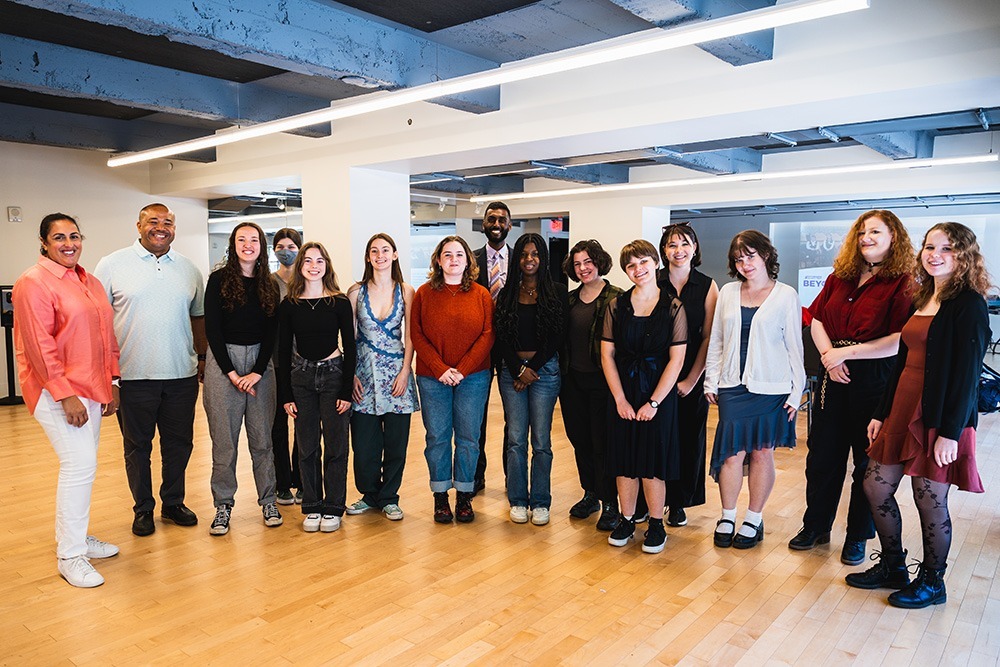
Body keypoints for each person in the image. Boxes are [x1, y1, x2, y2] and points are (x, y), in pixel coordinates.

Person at [845, 222, 991, 609]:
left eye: (947, 248)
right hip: (901, 408)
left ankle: (932, 582)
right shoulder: (923, 296)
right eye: (929, 247)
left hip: (939, 416)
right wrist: (882, 413)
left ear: (964, 255)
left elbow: (968, 376)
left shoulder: (969, 304)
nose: (935, 254)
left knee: (929, 499)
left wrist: (950, 433)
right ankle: (894, 567)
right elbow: (901, 362)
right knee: (875, 486)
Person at [789, 210, 914, 565]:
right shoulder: (839, 278)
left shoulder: (903, 283)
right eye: (861, 233)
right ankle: (816, 526)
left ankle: (858, 535)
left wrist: (846, 354)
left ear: (893, 237)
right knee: (822, 457)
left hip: (874, 378)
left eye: (875, 232)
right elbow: (816, 320)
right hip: (833, 374)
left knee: (865, 463)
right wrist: (830, 357)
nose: (866, 238)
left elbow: (899, 339)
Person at [13, 213, 122, 587]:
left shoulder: (89, 281)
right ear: (44, 243)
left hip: (92, 387)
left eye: (74, 236)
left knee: (84, 468)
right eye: (59, 237)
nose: (69, 243)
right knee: (79, 465)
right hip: (56, 392)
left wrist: (112, 381)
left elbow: (106, 335)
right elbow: (38, 345)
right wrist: (65, 394)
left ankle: (77, 537)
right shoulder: (33, 282)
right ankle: (70, 555)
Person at [94, 203, 206, 537]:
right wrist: (108, 375)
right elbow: (98, 322)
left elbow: (198, 317)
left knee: (179, 444)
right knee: (137, 447)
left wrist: (201, 359)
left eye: (167, 222)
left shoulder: (189, 269)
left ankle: (173, 503)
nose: (161, 227)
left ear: (174, 228)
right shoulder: (111, 264)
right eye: (153, 221)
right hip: (132, 376)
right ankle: (143, 508)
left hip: (181, 376)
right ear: (139, 225)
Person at [705, 230, 805, 550]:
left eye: (750, 256)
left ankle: (753, 517)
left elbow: (794, 346)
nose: (745, 264)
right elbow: (717, 340)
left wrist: (796, 392)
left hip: (771, 387)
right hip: (732, 385)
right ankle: (727, 515)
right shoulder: (728, 292)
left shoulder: (785, 295)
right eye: (738, 259)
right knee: (731, 454)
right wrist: (711, 380)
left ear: (765, 255)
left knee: (762, 452)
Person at [601, 240, 687, 554]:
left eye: (643, 262)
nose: (638, 269)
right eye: (631, 265)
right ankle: (626, 520)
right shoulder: (616, 305)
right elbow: (607, 355)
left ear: (655, 263)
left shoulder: (673, 307)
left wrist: (654, 403)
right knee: (624, 460)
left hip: (658, 394)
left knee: (653, 462)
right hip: (623, 391)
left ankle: (656, 524)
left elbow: (676, 360)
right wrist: (620, 400)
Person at [203, 222, 282, 536]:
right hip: (224, 365)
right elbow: (212, 330)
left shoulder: (269, 285)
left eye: (254, 240)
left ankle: (269, 501)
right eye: (241, 239)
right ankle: (223, 505)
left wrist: (257, 371)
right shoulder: (218, 280)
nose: (248, 245)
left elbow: (272, 332)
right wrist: (233, 373)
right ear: (233, 245)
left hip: (261, 365)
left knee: (262, 440)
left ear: (262, 246)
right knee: (225, 443)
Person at [411, 236, 494, 524]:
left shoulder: (481, 294)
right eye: (447, 254)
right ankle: (440, 496)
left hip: (474, 377)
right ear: (438, 260)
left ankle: (465, 495)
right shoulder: (423, 294)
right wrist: (440, 368)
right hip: (433, 378)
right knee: (437, 437)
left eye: (459, 254)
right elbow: (417, 334)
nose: (454, 259)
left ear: (468, 260)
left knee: (469, 438)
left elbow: (488, 334)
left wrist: (463, 369)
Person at [277, 242, 356, 534]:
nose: (313, 266)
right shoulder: (289, 304)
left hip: (334, 375)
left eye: (319, 260)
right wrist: (286, 395)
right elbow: (283, 351)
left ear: (327, 265)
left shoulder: (339, 302)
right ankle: (311, 504)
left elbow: (351, 347)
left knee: (336, 446)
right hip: (302, 378)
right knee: (307, 446)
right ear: (300, 266)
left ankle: (333, 507)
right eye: (308, 260)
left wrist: (346, 391)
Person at [346, 233, 419, 522]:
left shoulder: (406, 291)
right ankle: (369, 495)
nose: (380, 255)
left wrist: (405, 371)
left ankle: (389, 498)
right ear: (368, 257)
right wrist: (351, 374)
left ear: (395, 254)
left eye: (385, 250)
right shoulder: (355, 292)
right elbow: (349, 338)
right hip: (364, 374)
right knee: (364, 444)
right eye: (374, 251)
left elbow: (411, 335)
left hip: (396, 375)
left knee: (396, 443)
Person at [494, 233, 566, 526]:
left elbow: (557, 336)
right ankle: (518, 500)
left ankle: (540, 501)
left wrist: (531, 369)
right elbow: (500, 336)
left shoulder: (557, 291)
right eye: (524, 254)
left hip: (544, 372)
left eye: (535, 254)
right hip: (511, 373)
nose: (529, 259)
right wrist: (517, 370)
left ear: (543, 258)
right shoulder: (506, 293)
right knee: (515, 439)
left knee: (541, 441)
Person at [657, 223, 719, 528]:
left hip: (691, 375)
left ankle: (679, 502)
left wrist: (692, 380)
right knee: (656, 440)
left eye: (684, 244)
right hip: (656, 374)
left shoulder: (708, 286)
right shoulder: (654, 280)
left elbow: (709, 337)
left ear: (694, 248)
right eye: (671, 245)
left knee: (688, 440)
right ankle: (651, 500)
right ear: (663, 250)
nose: (678, 250)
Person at [560, 240, 623, 531]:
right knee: (579, 439)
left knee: (602, 443)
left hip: (603, 383)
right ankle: (590, 494)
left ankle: (610, 502)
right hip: (572, 381)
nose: (583, 268)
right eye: (577, 264)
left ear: (599, 262)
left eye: (588, 262)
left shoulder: (617, 298)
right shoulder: (569, 300)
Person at [472, 201, 513, 493]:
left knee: (514, 417)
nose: (496, 224)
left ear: (509, 224)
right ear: (484, 224)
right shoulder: (471, 261)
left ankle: (513, 478)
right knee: (477, 415)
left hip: (513, 347)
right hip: (479, 346)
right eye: (491, 219)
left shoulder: (523, 259)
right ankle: (476, 476)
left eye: (501, 219)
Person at [270, 228, 302, 505]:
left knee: (304, 425)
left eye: (291, 246)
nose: (286, 251)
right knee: (277, 425)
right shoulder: (269, 283)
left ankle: (302, 480)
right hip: (276, 363)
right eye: (280, 246)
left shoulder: (308, 280)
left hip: (304, 363)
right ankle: (281, 483)